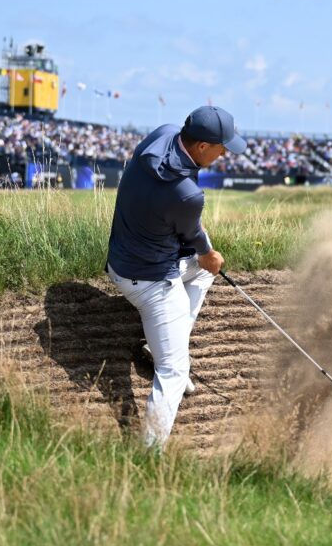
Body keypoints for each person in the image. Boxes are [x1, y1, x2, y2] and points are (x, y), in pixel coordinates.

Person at [106, 105, 247, 448]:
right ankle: (149, 454)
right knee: (174, 371)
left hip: (120, 262)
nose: (224, 153)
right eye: (221, 147)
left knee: (202, 274)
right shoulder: (187, 194)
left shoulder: (163, 133)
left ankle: (165, 342)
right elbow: (196, 243)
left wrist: (205, 257)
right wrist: (210, 256)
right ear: (201, 147)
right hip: (151, 281)